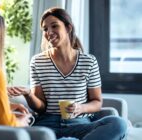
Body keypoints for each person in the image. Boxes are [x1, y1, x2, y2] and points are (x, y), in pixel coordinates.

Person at [8, 7, 127, 139]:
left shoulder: (89, 61)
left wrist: (80, 108)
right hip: (48, 125)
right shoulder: (37, 61)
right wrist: (28, 93)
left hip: (79, 124)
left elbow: (97, 102)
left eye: (54, 26)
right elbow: (41, 108)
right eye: (45, 29)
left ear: (68, 28)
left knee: (119, 123)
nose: (49, 32)